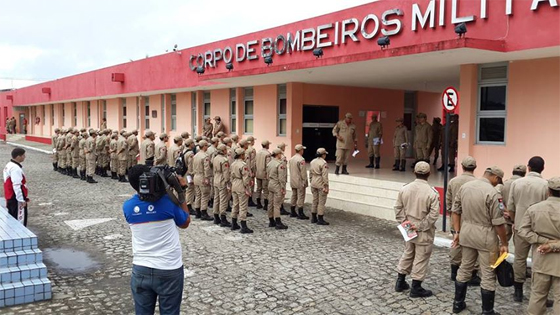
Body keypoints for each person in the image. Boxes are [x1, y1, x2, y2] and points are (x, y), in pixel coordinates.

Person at [123, 165, 190, 315]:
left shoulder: (128, 207)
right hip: (169, 269)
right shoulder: (168, 203)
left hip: (140, 268)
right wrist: (180, 190)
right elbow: (185, 222)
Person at [451, 166, 508, 314]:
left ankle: (457, 303)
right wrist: (504, 243)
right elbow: (498, 223)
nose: (498, 183)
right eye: (499, 180)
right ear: (495, 177)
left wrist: (457, 232)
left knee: (465, 267)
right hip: (486, 236)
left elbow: (455, 211)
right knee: (488, 273)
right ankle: (487, 311)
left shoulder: (465, 187)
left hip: (467, 233)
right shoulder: (493, 193)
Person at [394, 161, 440, 298]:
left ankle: (400, 281)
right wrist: (419, 226)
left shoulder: (405, 188)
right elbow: (434, 215)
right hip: (423, 230)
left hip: (408, 226)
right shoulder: (432, 193)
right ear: (429, 174)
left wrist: (405, 223)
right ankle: (416, 287)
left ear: (414, 172)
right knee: (421, 256)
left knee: (408, 252)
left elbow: (398, 208)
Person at [507, 156, 549, 302]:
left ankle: (518, 291)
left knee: (519, 259)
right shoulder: (546, 185)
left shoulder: (517, 183)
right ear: (542, 168)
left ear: (528, 167)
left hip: (520, 226)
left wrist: (514, 220)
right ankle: (538, 294)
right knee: (539, 260)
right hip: (539, 228)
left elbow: (511, 206)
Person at [518, 177, 560, 315]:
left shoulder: (534, 209)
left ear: (548, 191)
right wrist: (553, 245)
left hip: (541, 258)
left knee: (537, 296)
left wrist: (541, 240)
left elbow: (522, 231)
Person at [447, 157, 480, 286]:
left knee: (456, 243)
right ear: (475, 167)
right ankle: (471, 272)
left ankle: (454, 270)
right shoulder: (477, 183)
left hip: (455, 217)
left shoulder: (453, 181)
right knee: (472, 246)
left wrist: (451, 213)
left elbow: (449, 201)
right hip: (471, 218)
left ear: (461, 166)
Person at [3, 148, 30, 226]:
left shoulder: (9, 165)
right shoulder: (15, 168)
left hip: (10, 196)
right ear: (18, 156)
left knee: (12, 218)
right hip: (15, 198)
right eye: (23, 155)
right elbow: (17, 185)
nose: (24, 157)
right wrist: (21, 200)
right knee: (19, 221)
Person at [230, 148, 253, 233]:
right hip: (241, 185)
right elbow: (246, 178)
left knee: (235, 204)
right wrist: (247, 188)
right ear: (242, 155)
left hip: (234, 184)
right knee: (243, 206)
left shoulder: (233, 164)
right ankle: (243, 226)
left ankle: (233, 223)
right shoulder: (243, 165)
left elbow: (231, 176)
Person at [502, 164, 527, 242]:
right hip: (520, 220)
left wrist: (504, 210)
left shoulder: (504, 184)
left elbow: (498, 200)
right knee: (519, 247)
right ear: (524, 173)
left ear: (512, 172)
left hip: (506, 218)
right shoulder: (525, 185)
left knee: (502, 243)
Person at [266, 148, 288, 230]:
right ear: (278, 154)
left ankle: (271, 221)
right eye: (280, 154)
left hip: (270, 183)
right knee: (277, 204)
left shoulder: (270, 163)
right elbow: (281, 178)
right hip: (277, 185)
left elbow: (267, 174)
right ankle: (278, 222)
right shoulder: (279, 164)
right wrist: (283, 187)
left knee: (270, 203)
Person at [309, 148, 331, 225]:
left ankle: (313, 217)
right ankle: (320, 218)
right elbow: (325, 176)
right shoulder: (323, 163)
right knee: (321, 201)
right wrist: (326, 186)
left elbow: (310, 173)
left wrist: (311, 181)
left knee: (315, 200)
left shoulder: (312, 161)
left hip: (313, 182)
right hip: (320, 182)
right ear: (323, 155)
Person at [212, 144, 231, 227]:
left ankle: (216, 216)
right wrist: (228, 182)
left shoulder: (215, 158)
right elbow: (226, 173)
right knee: (223, 200)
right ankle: (223, 218)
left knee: (216, 198)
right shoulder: (224, 160)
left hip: (216, 178)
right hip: (221, 180)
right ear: (223, 150)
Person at [193, 140, 213, 221]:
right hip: (202, 176)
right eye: (206, 145)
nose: (207, 147)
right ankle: (204, 212)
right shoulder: (205, 156)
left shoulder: (196, 155)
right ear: (204, 146)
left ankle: (197, 212)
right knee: (205, 195)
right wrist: (207, 178)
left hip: (196, 176)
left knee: (198, 195)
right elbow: (206, 168)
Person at [289, 144, 310, 220]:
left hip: (293, 180)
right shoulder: (301, 159)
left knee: (294, 195)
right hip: (299, 181)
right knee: (301, 196)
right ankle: (300, 213)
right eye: (302, 150)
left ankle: (292, 211)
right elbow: (303, 172)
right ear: (301, 150)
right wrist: (305, 181)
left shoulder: (291, 159)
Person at [255, 140, 272, 210]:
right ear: (267, 145)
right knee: (265, 190)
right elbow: (268, 165)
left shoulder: (258, 152)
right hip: (264, 174)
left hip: (258, 172)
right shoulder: (267, 154)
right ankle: (265, 204)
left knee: (258, 189)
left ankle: (258, 203)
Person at [244, 137, 258, 207]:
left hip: (249, 169)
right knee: (250, 185)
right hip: (250, 170)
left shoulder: (247, 149)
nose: (254, 142)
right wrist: (250, 171)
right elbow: (249, 162)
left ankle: (249, 199)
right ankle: (249, 200)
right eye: (253, 141)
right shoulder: (251, 150)